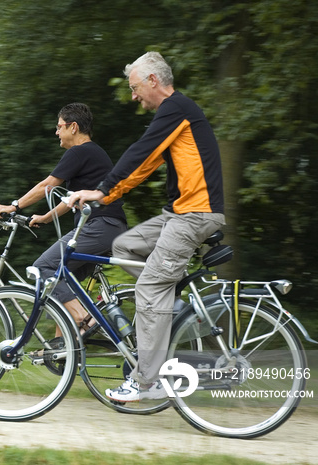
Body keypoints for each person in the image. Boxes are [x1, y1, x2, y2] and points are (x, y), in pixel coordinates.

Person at [68, 51, 226, 402]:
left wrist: (103, 190)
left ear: (154, 81)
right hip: (180, 213)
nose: (134, 95)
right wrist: (106, 195)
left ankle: (146, 382)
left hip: (195, 214)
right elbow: (146, 163)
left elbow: (142, 152)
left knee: (150, 289)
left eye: (136, 87)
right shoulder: (176, 114)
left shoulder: (177, 108)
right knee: (125, 246)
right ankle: (167, 313)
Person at [0, 102, 127, 335]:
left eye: (59, 126)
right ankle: (60, 349)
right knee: (58, 282)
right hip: (110, 228)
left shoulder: (79, 151)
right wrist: (45, 217)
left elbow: (47, 185)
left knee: (43, 268)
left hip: (100, 226)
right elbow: (71, 200)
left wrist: (13, 206)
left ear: (73, 127)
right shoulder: (93, 153)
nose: (56, 132)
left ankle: (86, 321)